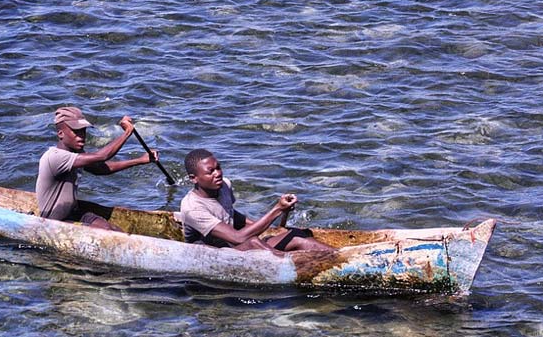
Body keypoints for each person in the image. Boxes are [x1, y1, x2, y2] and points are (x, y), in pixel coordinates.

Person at [179, 148, 334, 253]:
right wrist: (277, 209)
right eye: (210, 172)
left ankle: (346, 257)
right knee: (254, 242)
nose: (218, 174)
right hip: (213, 255)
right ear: (194, 179)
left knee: (296, 235)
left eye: (218, 167)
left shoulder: (224, 185)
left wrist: (271, 226)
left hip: (235, 246)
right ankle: (289, 264)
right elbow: (237, 237)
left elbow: (231, 215)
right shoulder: (192, 208)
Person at [35, 106, 157, 230]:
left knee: (114, 230)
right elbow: (102, 156)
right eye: (75, 131)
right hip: (54, 223)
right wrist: (126, 133)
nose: (81, 136)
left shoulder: (77, 155)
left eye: (83, 131)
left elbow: (101, 168)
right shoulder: (55, 157)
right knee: (105, 232)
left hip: (74, 213)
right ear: (60, 134)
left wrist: (140, 160)